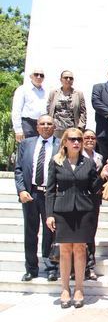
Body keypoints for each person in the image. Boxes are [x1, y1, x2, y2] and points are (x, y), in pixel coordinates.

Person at [45, 128, 108, 308]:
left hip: (83, 210)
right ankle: (65, 289)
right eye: (73, 139)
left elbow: (94, 187)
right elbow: (50, 190)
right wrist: (49, 214)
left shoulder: (88, 163)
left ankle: (79, 288)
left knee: (80, 249)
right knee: (65, 250)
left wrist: (103, 175)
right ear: (65, 141)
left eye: (79, 140)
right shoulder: (56, 162)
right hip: (62, 211)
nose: (77, 142)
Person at [14, 115, 60, 282]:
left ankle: (51, 267)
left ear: (54, 127)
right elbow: (18, 169)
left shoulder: (61, 144)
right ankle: (31, 268)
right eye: (42, 124)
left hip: (51, 195)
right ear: (37, 127)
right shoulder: (26, 144)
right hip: (31, 194)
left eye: (49, 124)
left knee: (50, 233)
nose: (46, 126)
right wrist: (21, 190)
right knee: (30, 232)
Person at [81, 130, 102, 281]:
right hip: (79, 199)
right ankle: (78, 267)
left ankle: (90, 265)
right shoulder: (76, 155)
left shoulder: (99, 157)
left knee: (91, 234)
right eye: (86, 137)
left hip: (94, 200)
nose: (90, 140)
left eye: (92, 138)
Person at [47, 70, 86, 139]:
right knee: (56, 148)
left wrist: (80, 126)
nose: (68, 79)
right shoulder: (53, 93)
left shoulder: (79, 94)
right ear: (61, 79)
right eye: (66, 77)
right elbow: (48, 109)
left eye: (71, 78)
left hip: (72, 128)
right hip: (56, 129)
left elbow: (83, 112)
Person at [12, 68, 48, 142]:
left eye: (41, 75)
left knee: (39, 149)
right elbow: (16, 110)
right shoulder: (22, 89)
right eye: (36, 74)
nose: (39, 77)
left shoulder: (46, 91)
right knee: (26, 149)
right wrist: (18, 130)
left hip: (42, 125)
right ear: (31, 76)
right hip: (27, 125)